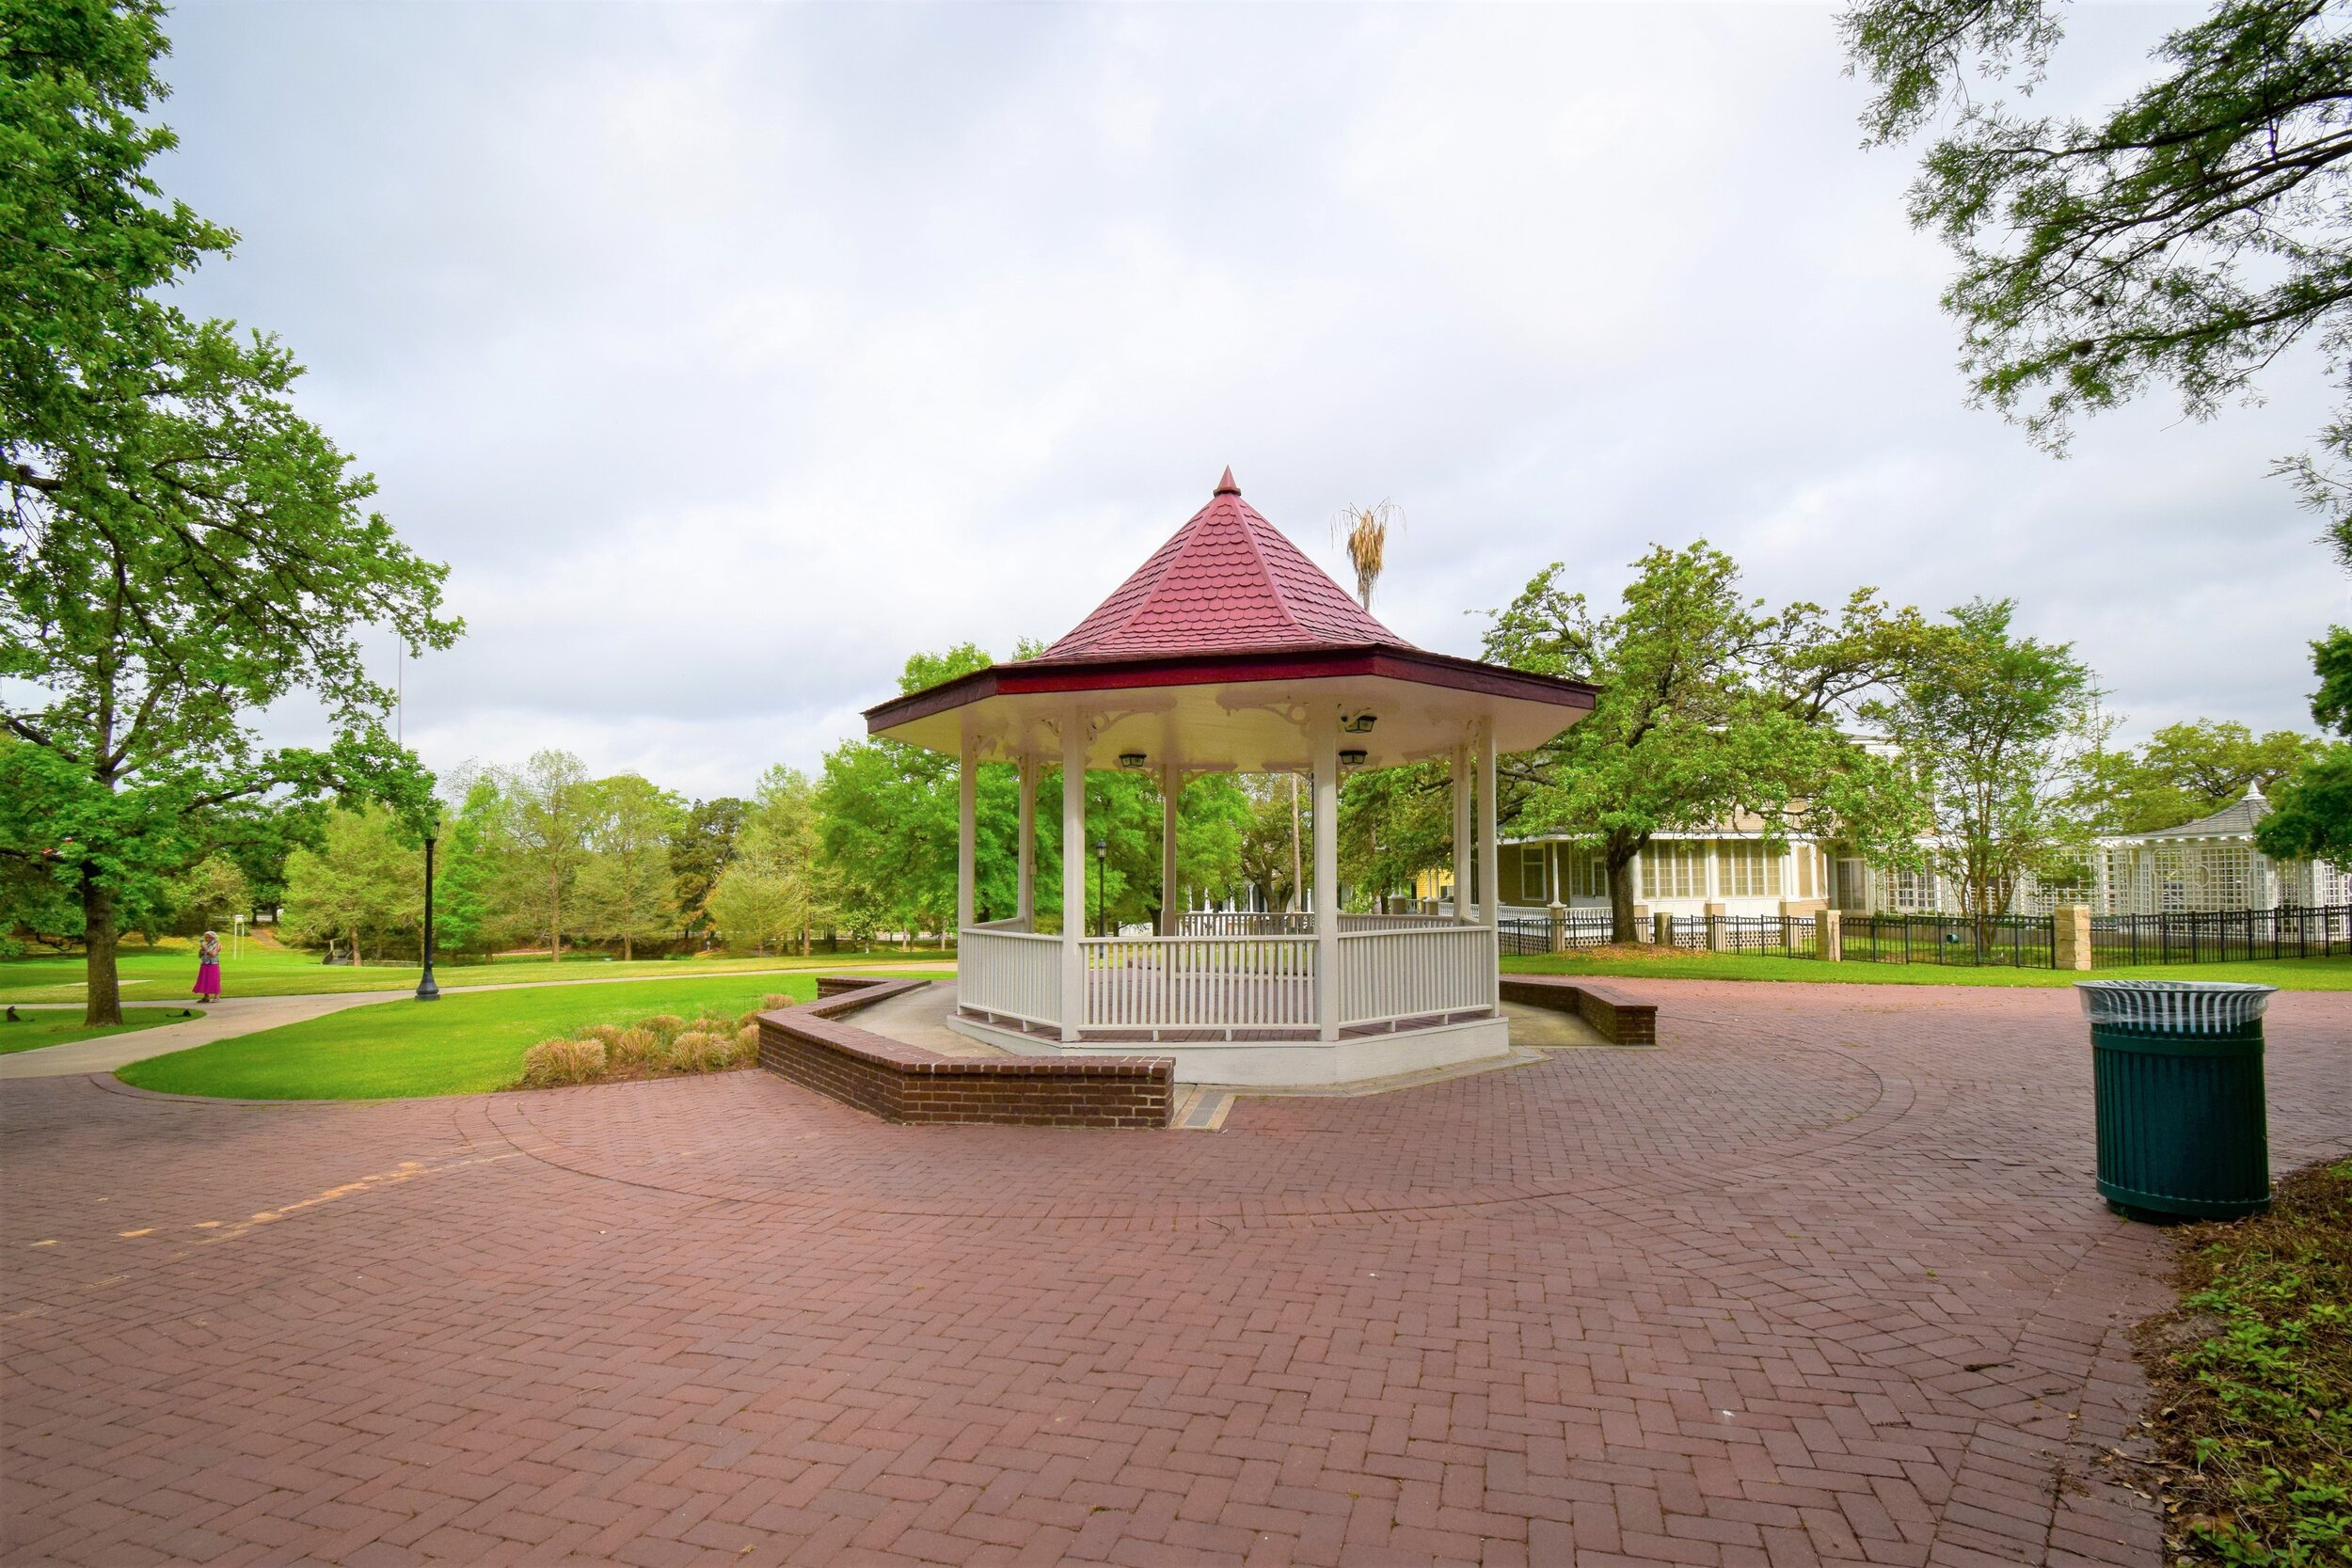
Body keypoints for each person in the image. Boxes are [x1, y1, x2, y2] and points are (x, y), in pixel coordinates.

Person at [194, 930, 222, 1004]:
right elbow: (200, 956)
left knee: (214, 980)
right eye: (205, 937)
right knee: (205, 979)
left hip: (213, 964)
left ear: (212, 937)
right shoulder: (206, 944)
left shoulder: (217, 945)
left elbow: (213, 954)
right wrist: (202, 950)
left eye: (207, 937)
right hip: (204, 964)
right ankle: (206, 997)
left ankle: (217, 997)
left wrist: (206, 949)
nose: (205, 938)